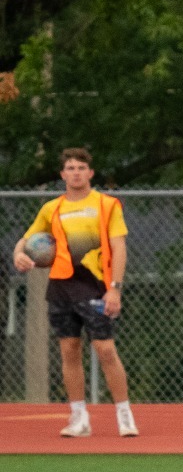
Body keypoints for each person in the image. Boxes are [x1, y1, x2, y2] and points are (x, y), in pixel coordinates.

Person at [12, 148, 138, 438]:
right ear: (62, 174)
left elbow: (119, 247)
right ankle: (79, 417)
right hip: (61, 287)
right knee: (69, 351)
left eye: (81, 167)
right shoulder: (52, 208)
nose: (76, 172)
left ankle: (124, 414)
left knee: (105, 350)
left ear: (90, 173)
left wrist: (115, 289)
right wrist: (19, 253)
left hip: (95, 285)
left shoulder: (106, 205)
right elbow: (28, 239)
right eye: (70, 168)